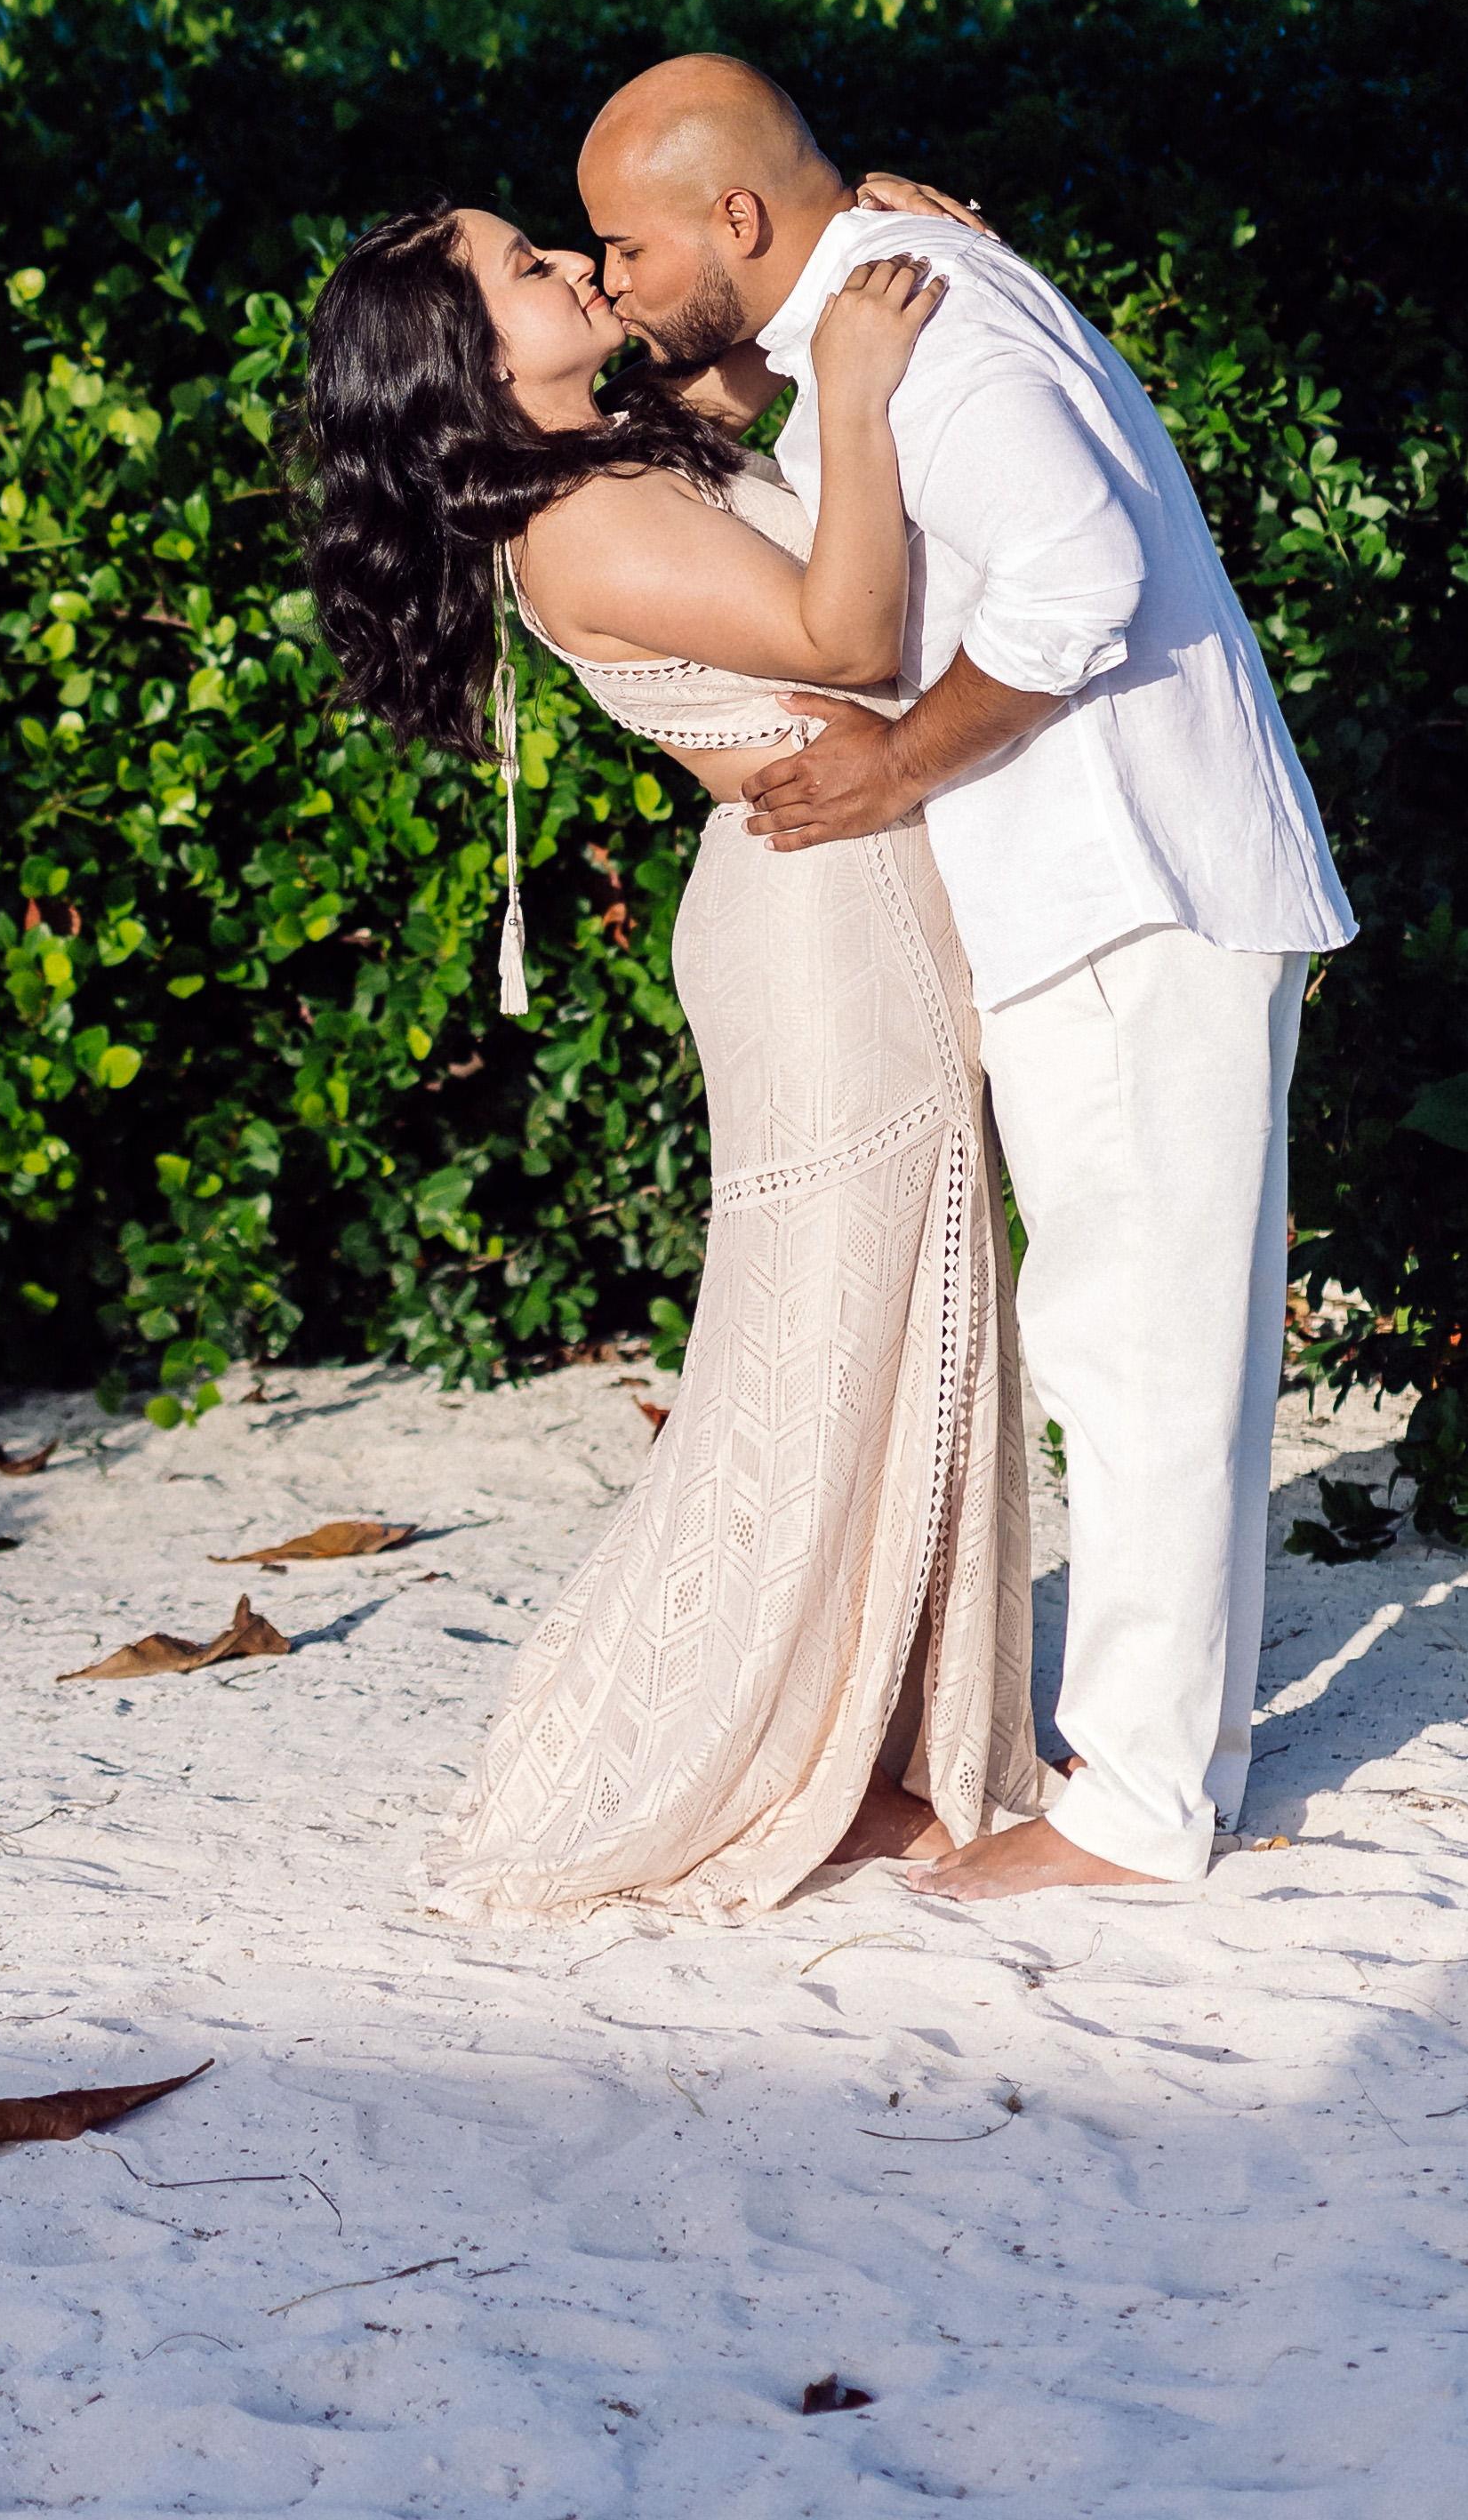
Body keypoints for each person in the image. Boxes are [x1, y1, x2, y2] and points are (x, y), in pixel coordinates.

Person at [576, 55, 1360, 1902]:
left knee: (1143, 1354)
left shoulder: (928, 329)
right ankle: (1158, 1769)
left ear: (737, 218)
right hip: (1117, 894)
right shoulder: (879, 308)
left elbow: (1079, 579)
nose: (609, 279)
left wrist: (898, 765)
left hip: (1131, 894)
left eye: (624, 247)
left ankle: (1138, 1810)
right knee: (1142, 1339)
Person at [293, 204, 1052, 1923]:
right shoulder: (578, 526)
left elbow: (744, 324)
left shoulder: (626, 453)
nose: (573, 263)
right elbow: (851, 642)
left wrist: (880, 237)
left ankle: (880, 1745)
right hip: (821, 928)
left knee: (905, 1318)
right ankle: (796, 1759)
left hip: (857, 892)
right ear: (472, 355)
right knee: (833, 1337)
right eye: (524, 266)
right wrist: (850, 385)